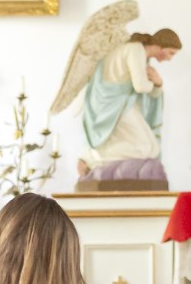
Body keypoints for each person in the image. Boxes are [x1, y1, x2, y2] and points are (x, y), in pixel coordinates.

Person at [55, 27, 181, 185]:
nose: (170, 59)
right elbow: (141, 86)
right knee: (147, 148)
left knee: (150, 147)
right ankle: (92, 156)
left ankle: (94, 156)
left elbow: (148, 91)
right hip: (114, 105)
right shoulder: (135, 49)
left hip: (123, 104)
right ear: (161, 45)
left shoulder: (141, 53)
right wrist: (156, 82)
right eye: (171, 53)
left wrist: (157, 84)